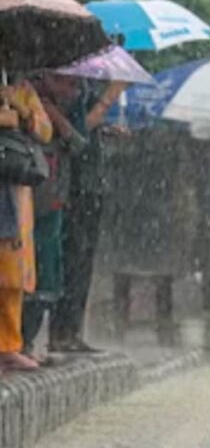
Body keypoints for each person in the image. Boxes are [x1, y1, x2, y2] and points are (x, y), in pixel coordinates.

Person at [50, 79, 126, 353]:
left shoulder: (84, 87)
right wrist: (110, 97)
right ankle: (61, 331)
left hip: (92, 185)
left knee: (84, 260)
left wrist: (105, 129)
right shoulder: (67, 90)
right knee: (72, 257)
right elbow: (77, 131)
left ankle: (72, 329)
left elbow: (90, 128)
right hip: (73, 187)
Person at [23, 73, 86, 359]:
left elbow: (77, 144)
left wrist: (56, 117)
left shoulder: (62, 108)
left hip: (52, 202)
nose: (72, 90)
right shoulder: (23, 99)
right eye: (65, 81)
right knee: (26, 274)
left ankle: (27, 340)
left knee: (47, 274)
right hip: (27, 201)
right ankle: (20, 340)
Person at [0, 79, 51, 371]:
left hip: (13, 186)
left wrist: (18, 108)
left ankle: (7, 344)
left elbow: (45, 131)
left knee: (12, 273)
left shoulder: (21, 87)